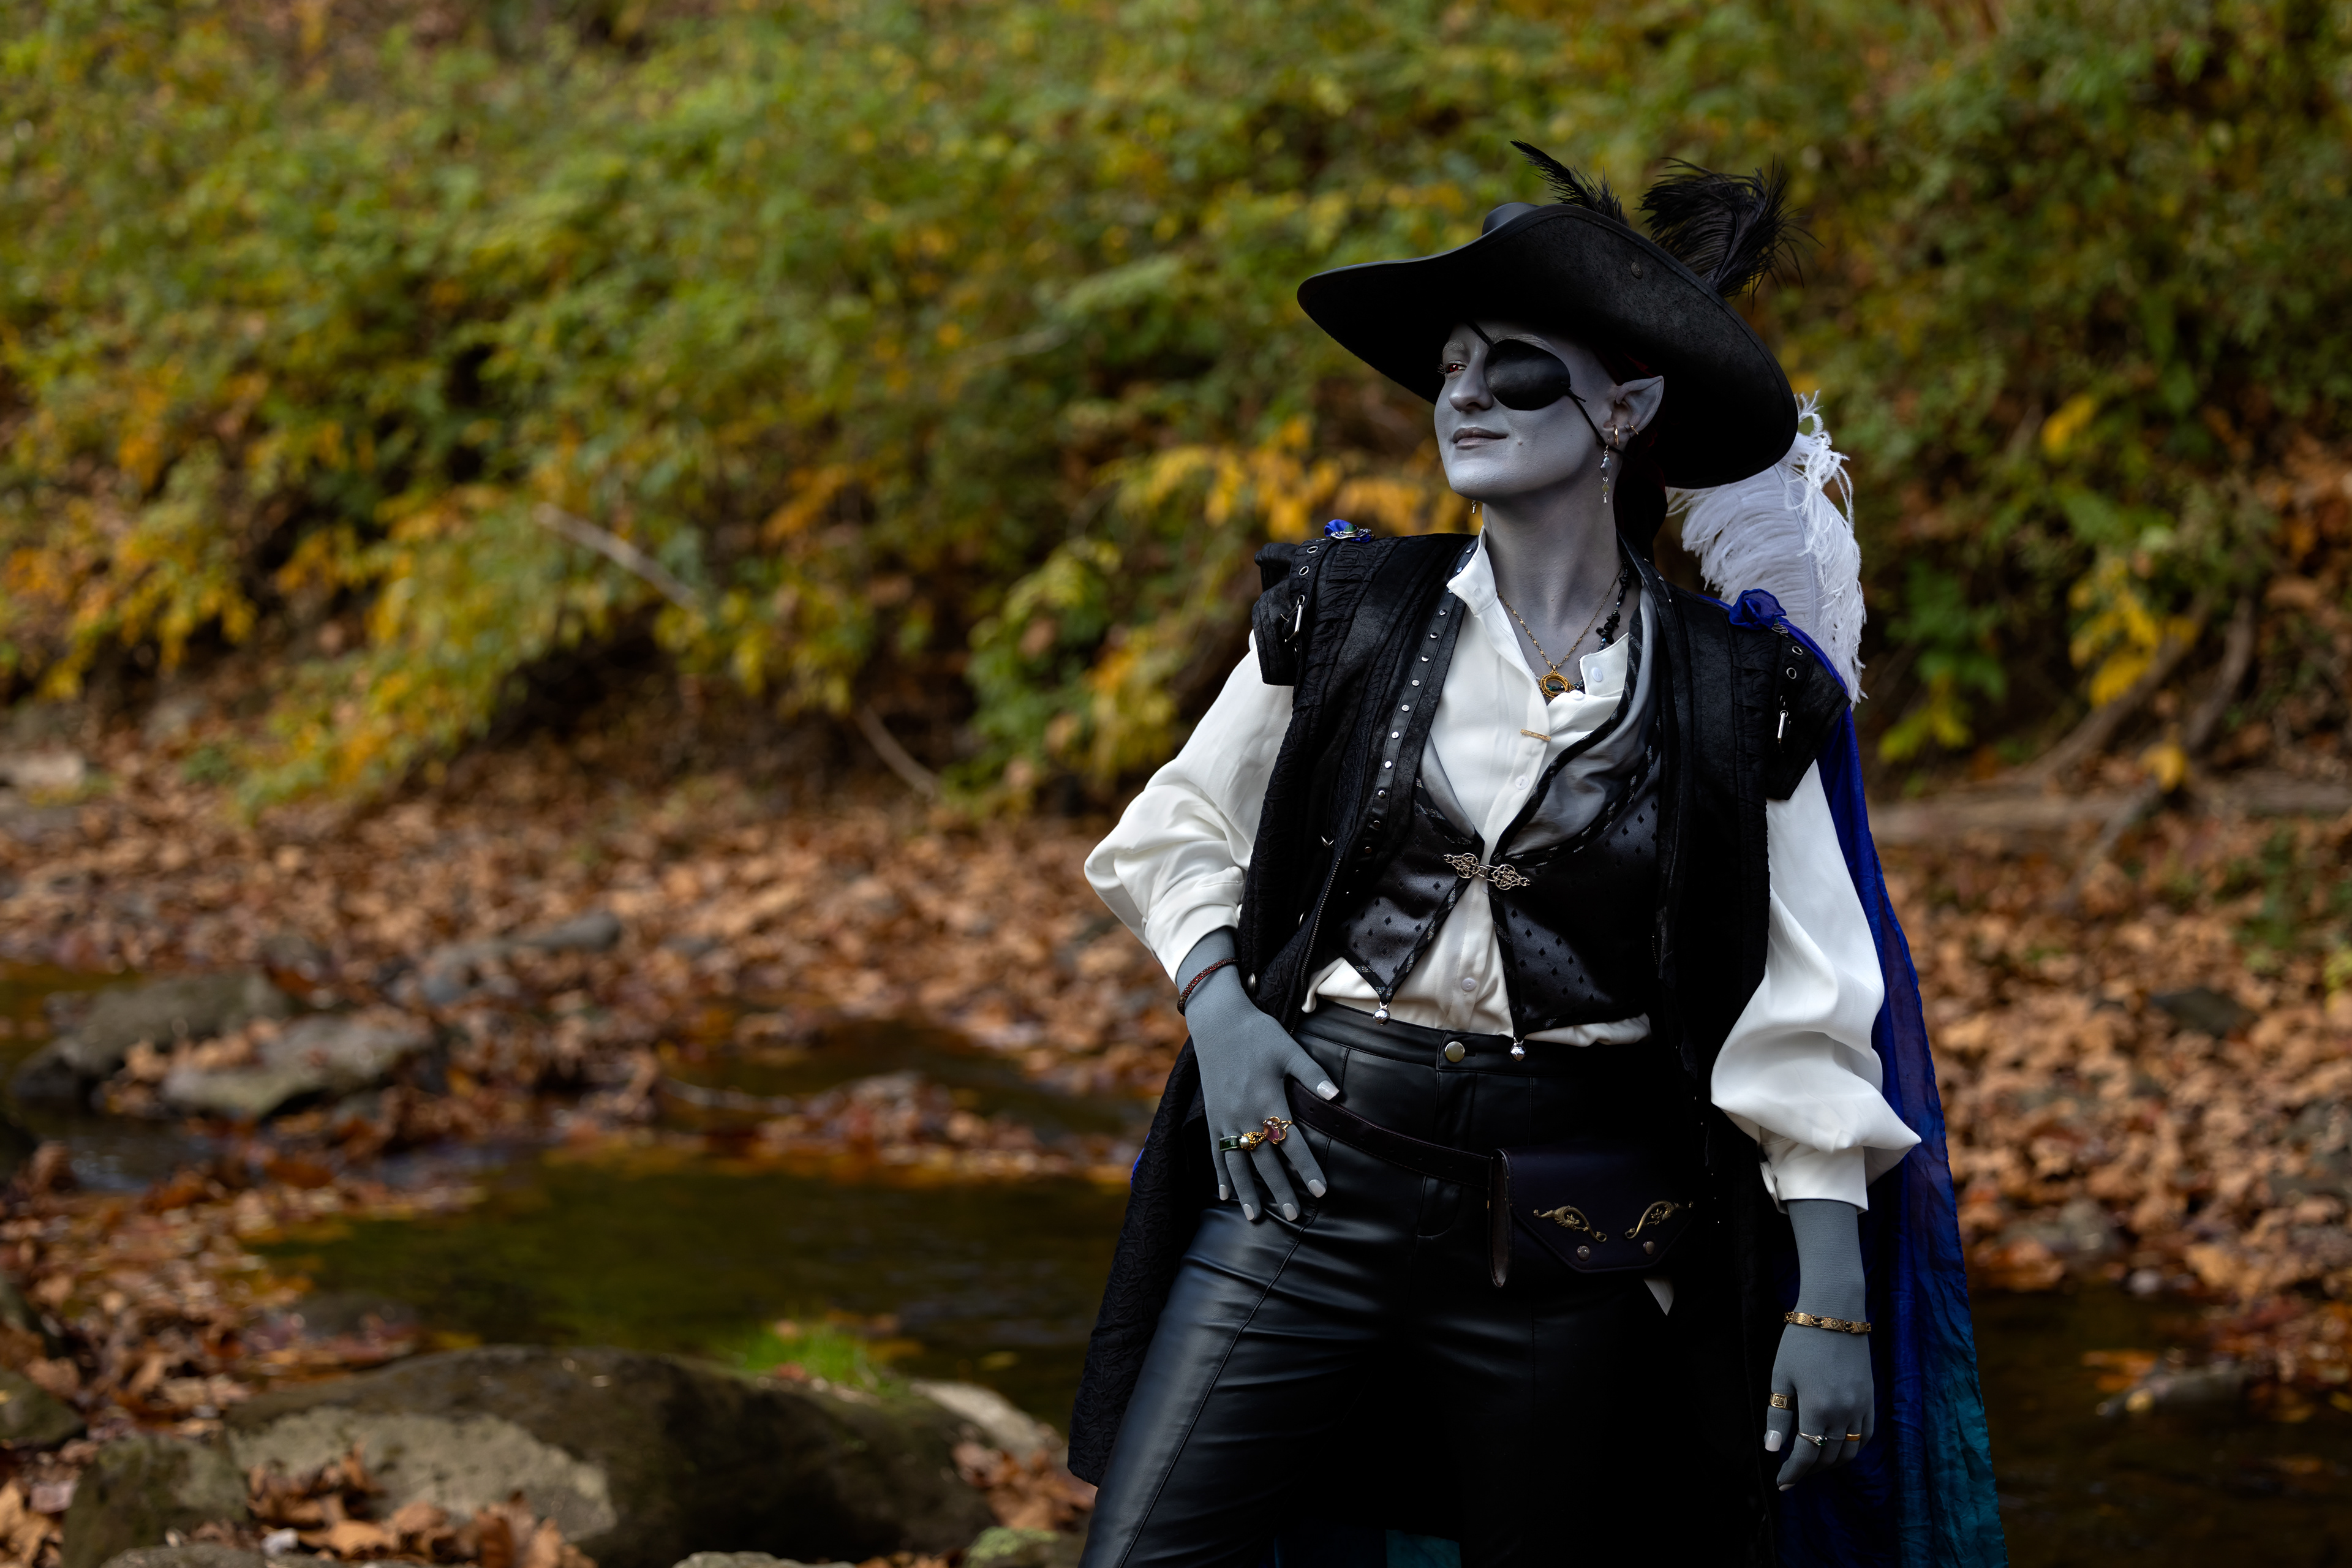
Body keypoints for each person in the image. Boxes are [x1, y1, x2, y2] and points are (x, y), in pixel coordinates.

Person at [1068, 146, 2003, 1568]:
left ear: (1626, 409)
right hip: (1310, 1178)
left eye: (1512, 369)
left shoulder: (1730, 687)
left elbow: (1806, 1000)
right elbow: (1178, 824)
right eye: (1449, 367)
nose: (1464, 393)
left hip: (1576, 1232)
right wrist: (1220, 1008)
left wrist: (1830, 1291)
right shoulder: (1350, 609)